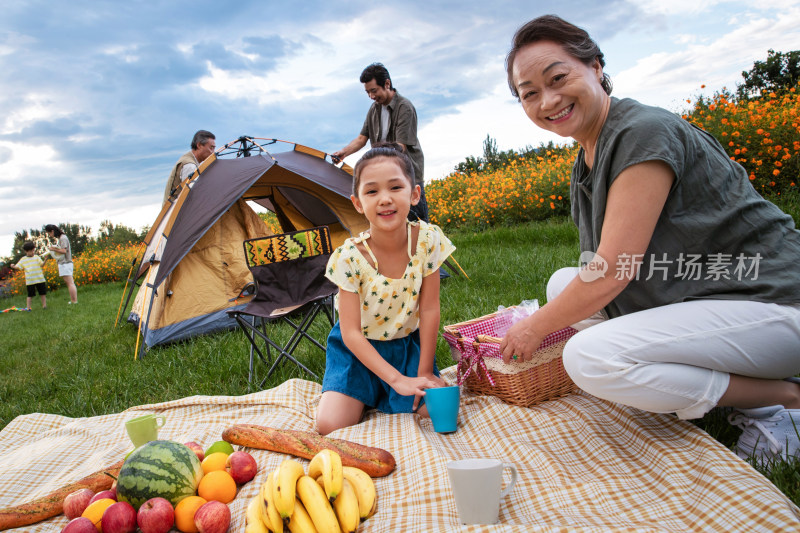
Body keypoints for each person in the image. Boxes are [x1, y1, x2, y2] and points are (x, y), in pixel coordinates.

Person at [498, 15, 800, 469]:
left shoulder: (641, 133)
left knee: (590, 359)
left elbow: (613, 272)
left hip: (775, 302)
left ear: (595, 67)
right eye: (530, 93)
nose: (549, 100)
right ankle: (733, 385)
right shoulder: (589, 155)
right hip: (716, 294)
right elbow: (604, 268)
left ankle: (780, 401)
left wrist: (533, 327)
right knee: (564, 284)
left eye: (558, 78)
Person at [315, 142, 455, 435]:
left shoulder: (428, 240)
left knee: (434, 410)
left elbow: (429, 310)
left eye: (395, 187)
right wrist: (396, 380)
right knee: (330, 425)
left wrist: (425, 371)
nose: (385, 199)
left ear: (414, 194)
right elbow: (351, 333)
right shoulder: (349, 257)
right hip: (357, 351)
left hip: (405, 346)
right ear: (357, 203)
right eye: (372, 191)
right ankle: (368, 390)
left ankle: (379, 394)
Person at [332, 63, 429, 222]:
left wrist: (372, 161)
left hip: (407, 178)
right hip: (384, 178)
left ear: (387, 84)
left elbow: (400, 147)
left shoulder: (404, 107)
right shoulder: (374, 109)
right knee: (392, 225)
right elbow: (362, 139)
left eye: (374, 90)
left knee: (417, 225)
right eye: (368, 92)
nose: (371, 96)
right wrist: (343, 152)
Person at [162, 130, 216, 204]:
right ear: (199, 145)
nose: (213, 152)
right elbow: (193, 196)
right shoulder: (190, 166)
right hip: (177, 213)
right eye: (211, 148)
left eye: (214, 148)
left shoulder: (188, 160)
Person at [45, 224, 78, 304]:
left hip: (65, 263)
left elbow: (64, 251)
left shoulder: (63, 238)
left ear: (52, 231)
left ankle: (74, 301)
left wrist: (53, 249)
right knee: (69, 283)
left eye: (49, 233)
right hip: (65, 263)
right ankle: (73, 300)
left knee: (70, 283)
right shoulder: (61, 238)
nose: (50, 235)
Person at [10, 241, 47, 310]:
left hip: (40, 279)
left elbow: (42, 265)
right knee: (30, 294)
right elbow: (18, 267)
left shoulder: (36, 257)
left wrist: (45, 260)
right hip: (30, 281)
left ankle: (44, 306)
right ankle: (28, 308)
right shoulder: (23, 259)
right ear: (26, 251)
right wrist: (13, 266)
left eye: (33, 250)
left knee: (42, 293)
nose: (33, 252)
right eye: (31, 251)